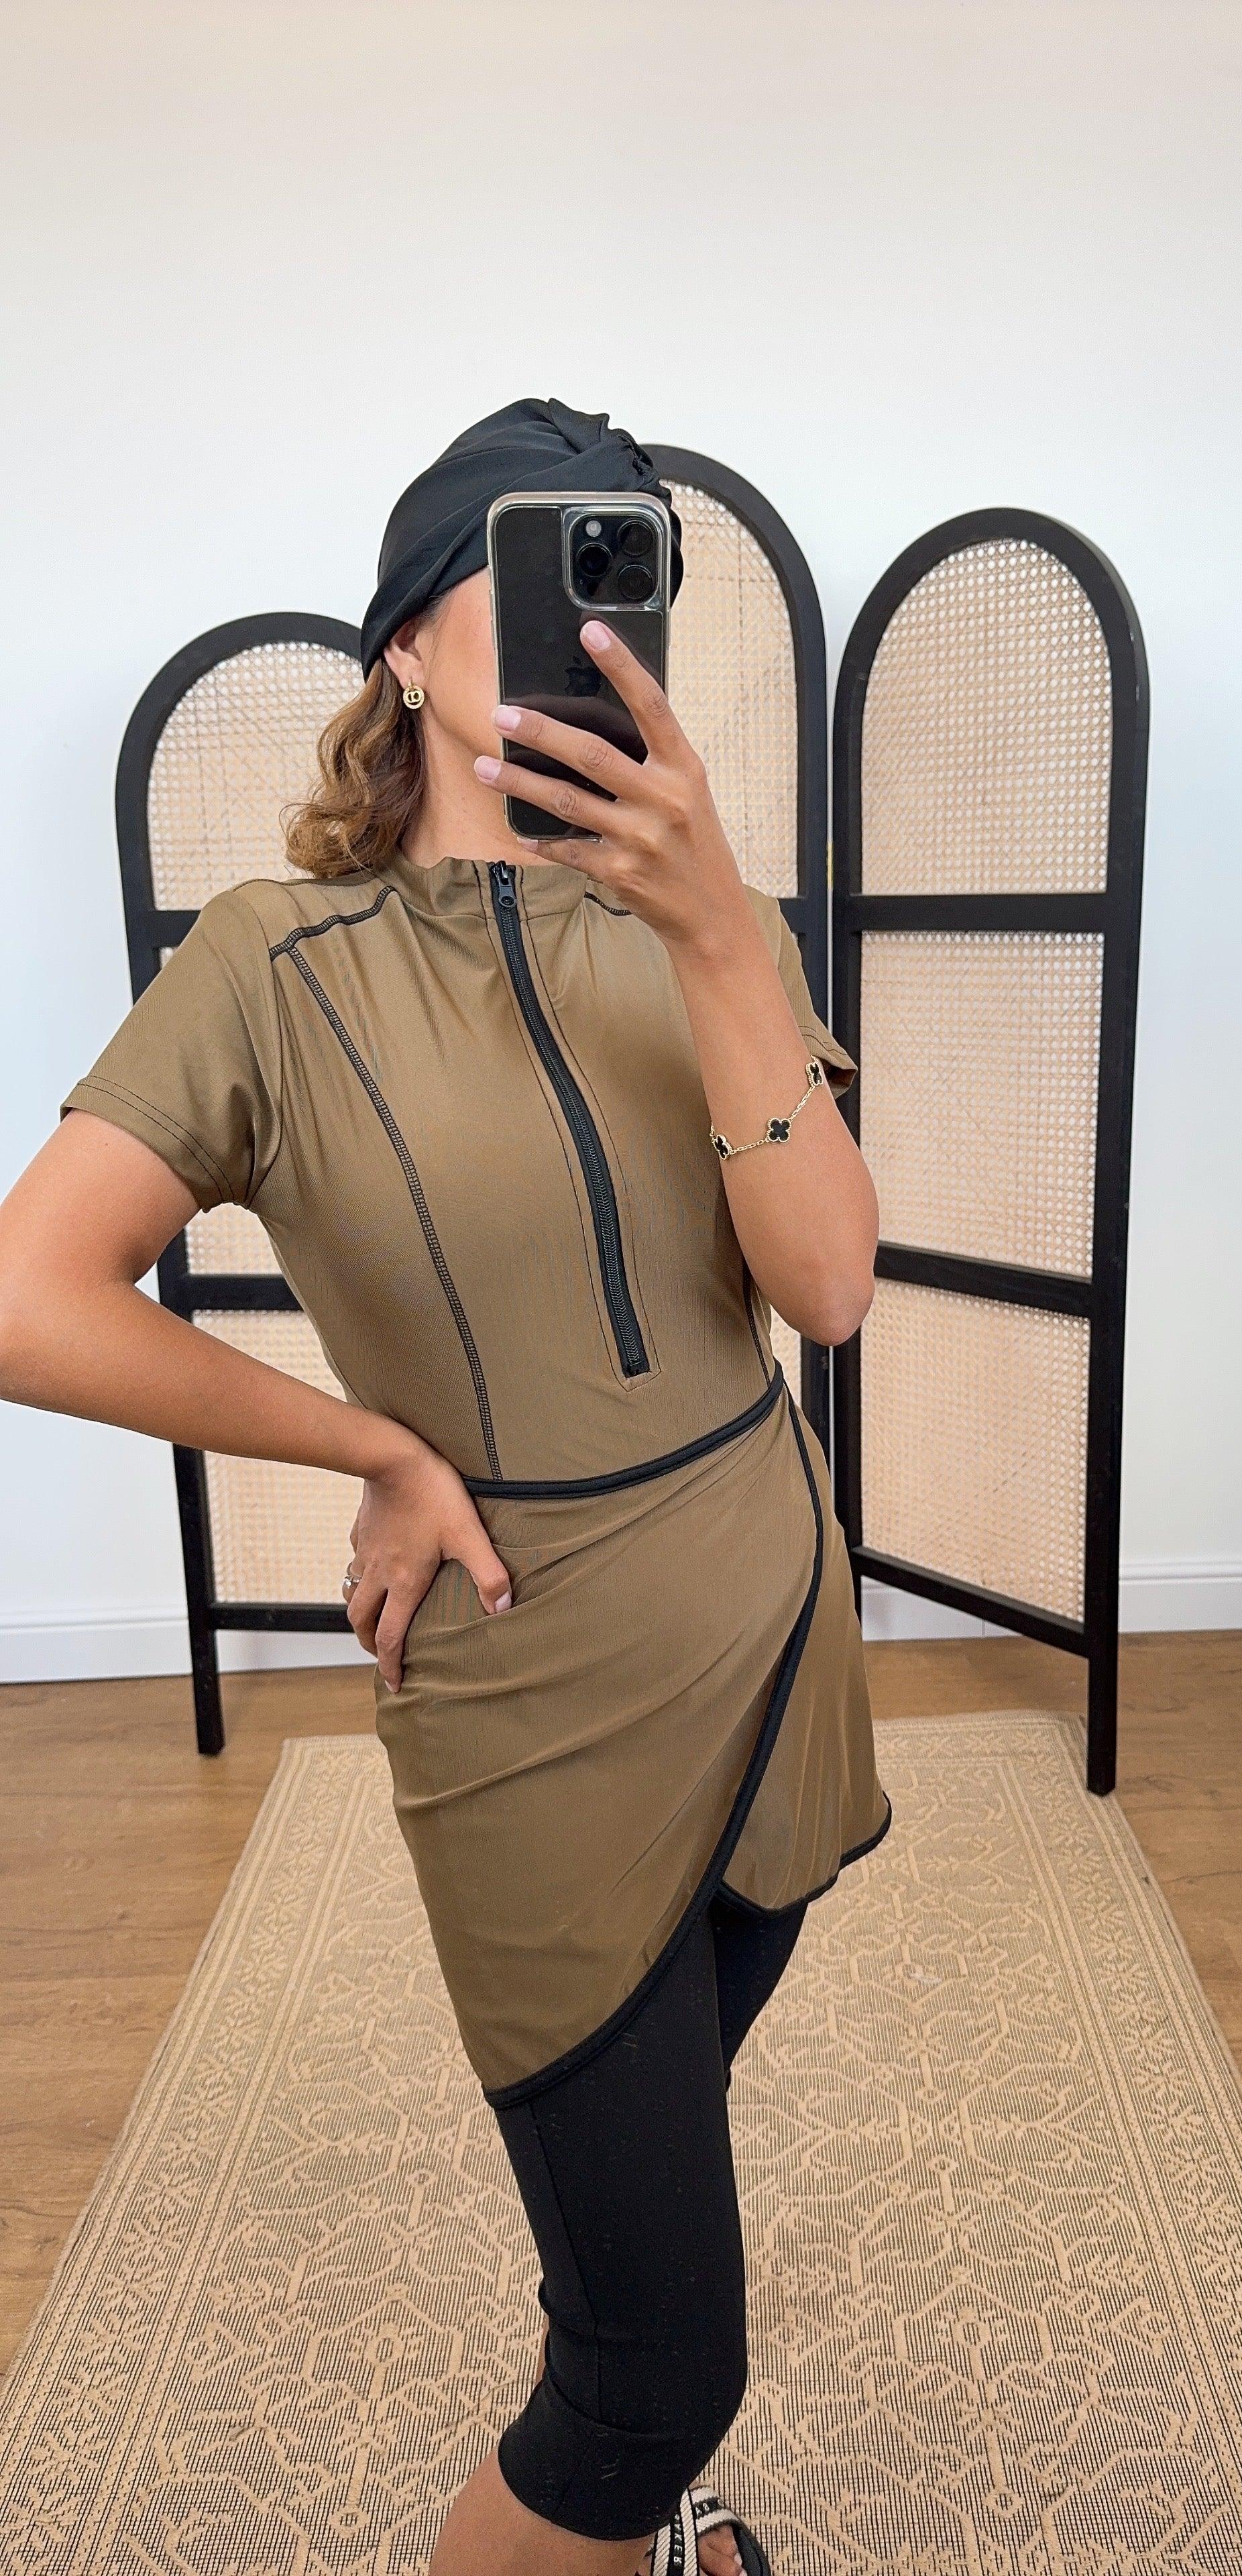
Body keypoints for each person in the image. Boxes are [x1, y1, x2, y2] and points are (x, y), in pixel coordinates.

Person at [0, 398, 892, 2576]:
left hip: (775, 1638)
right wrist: (372, 1444)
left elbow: (828, 1288)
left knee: (645, 2212)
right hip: (530, 1696)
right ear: (407, 641)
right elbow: (26, 1300)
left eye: (631, 585)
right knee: (651, 2377)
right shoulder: (267, 965)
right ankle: (629, 2494)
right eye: (544, 575)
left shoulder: (718, 927)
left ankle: (636, 2535)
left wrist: (716, 935)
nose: (599, 635)